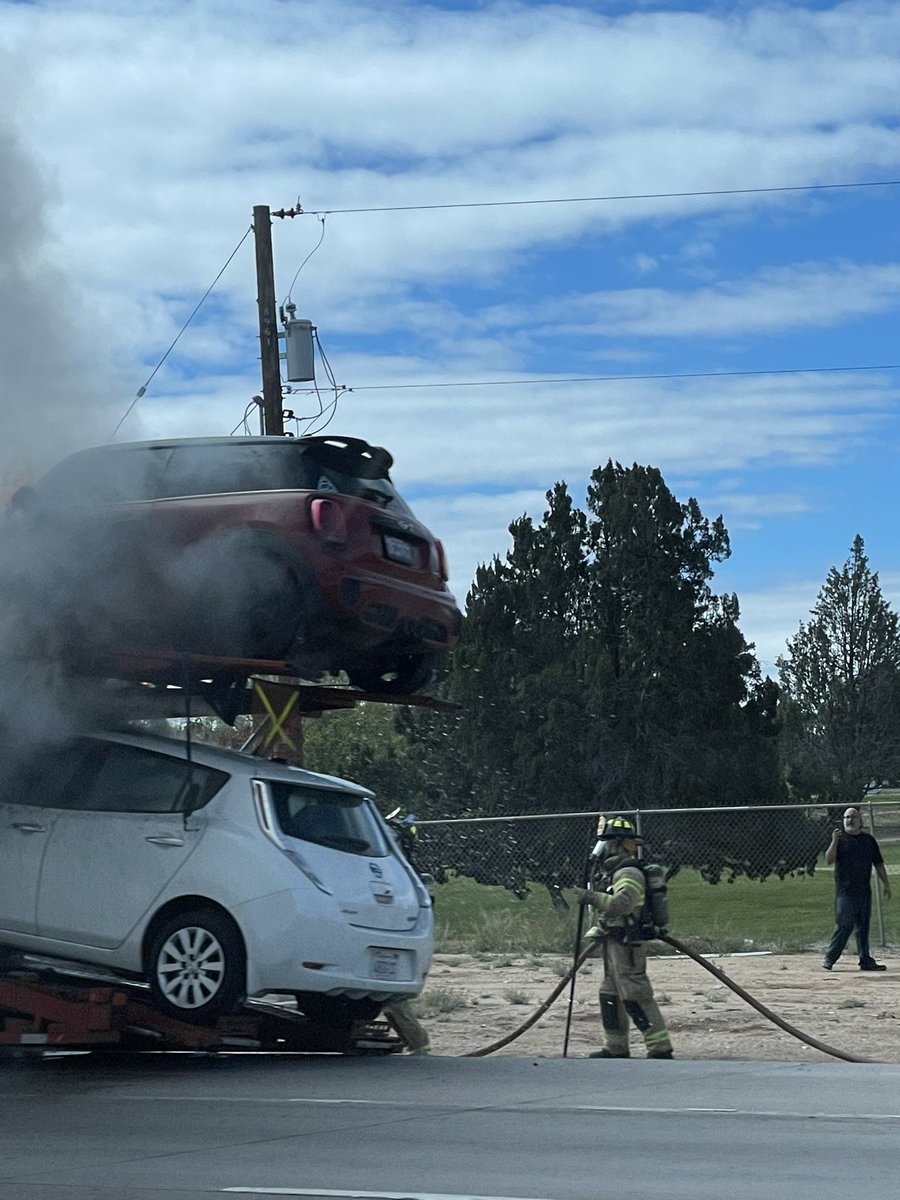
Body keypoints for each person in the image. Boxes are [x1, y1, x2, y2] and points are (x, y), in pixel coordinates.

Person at [574, 816, 673, 1059]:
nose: (602, 850)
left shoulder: (628, 873)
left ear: (617, 845)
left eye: (606, 844)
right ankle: (615, 1047)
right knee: (610, 995)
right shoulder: (615, 873)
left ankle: (660, 1048)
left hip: (628, 944)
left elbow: (622, 905)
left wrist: (590, 897)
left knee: (635, 995)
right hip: (613, 941)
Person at [823, 806, 891, 971]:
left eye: (853, 817)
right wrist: (834, 840)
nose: (850, 820)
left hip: (863, 891)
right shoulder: (840, 839)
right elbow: (829, 860)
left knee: (863, 926)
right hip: (845, 892)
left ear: (860, 821)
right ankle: (830, 958)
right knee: (844, 924)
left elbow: (878, 863)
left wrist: (886, 884)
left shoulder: (868, 840)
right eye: (847, 817)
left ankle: (865, 960)